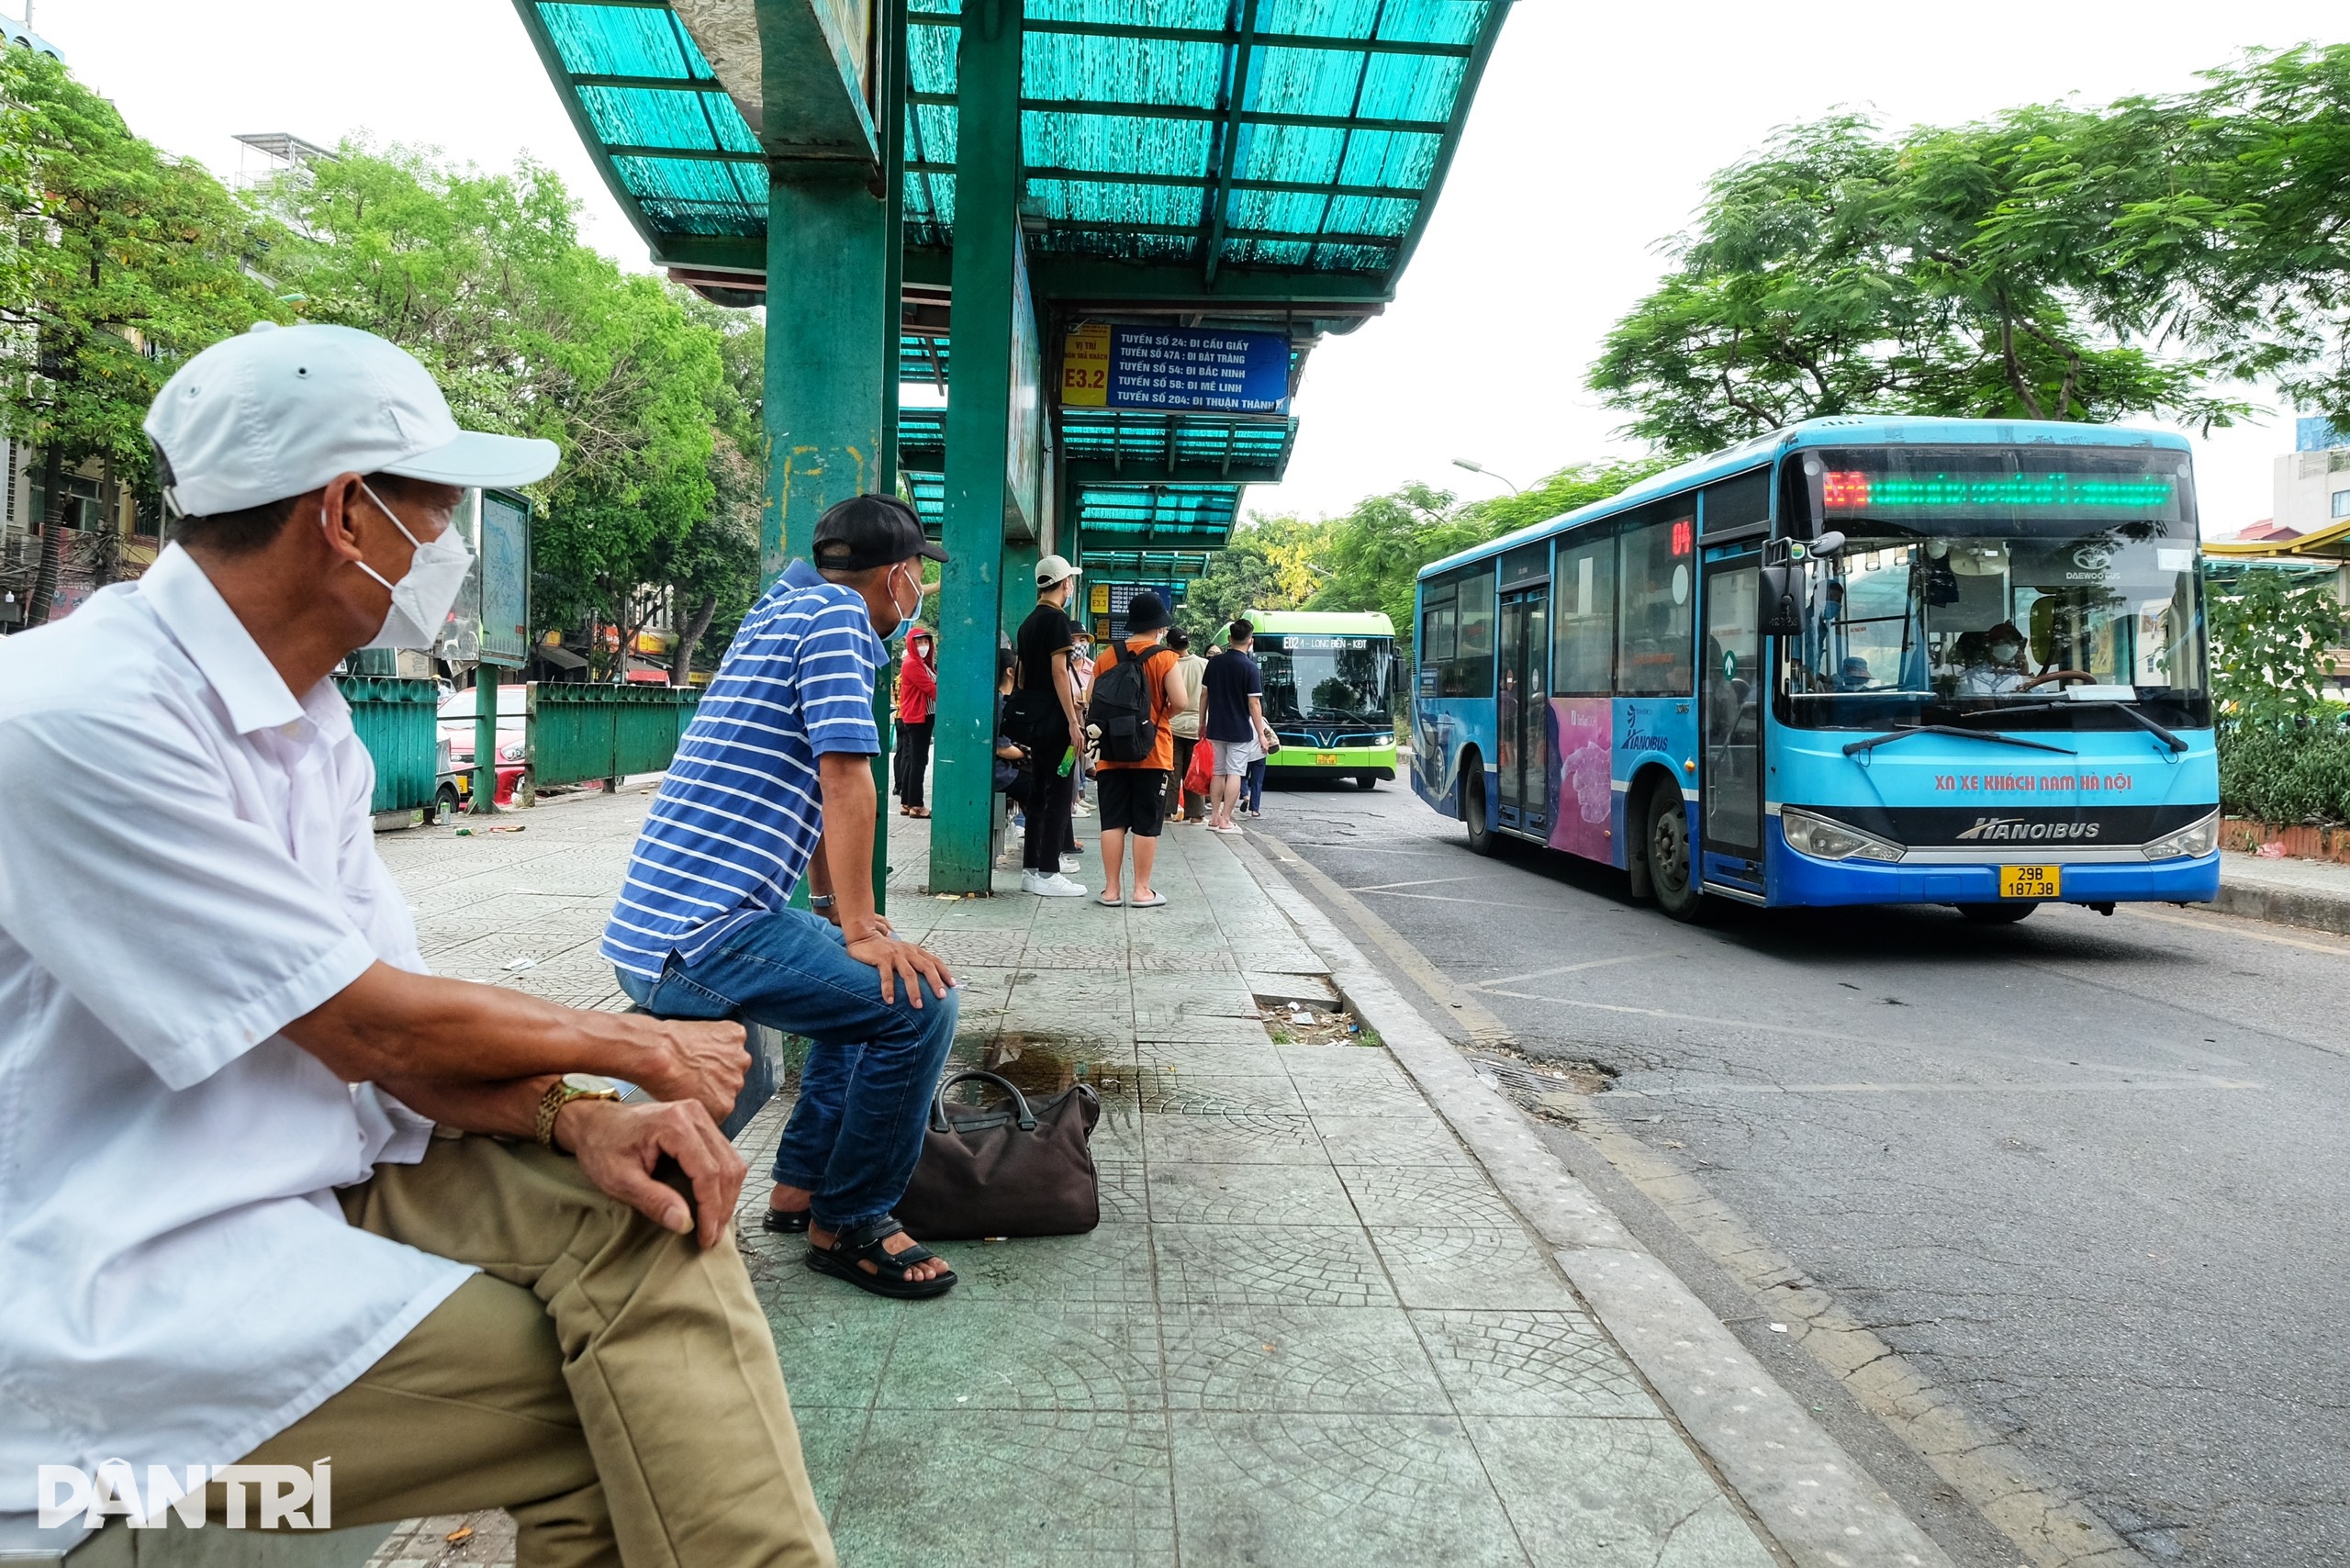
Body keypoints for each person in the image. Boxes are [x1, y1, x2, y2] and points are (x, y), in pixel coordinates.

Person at [0, 322, 833, 1564]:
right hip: (116, 1258)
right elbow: (362, 1020)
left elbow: (384, 1034)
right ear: (346, 516)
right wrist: (636, 1043)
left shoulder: (307, 715)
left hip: (308, 1170)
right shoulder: (71, 716)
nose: (447, 550)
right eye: (436, 513)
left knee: (656, 1206)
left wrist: (580, 1114)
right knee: (617, 1415)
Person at [603, 493, 963, 1303]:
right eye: (915, 582)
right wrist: (867, 931)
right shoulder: (838, 619)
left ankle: (800, 1185)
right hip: (700, 936)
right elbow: (847, 780)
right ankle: (855, 1220)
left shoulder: (782, 610)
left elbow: (810, 789)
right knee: (919, 1004)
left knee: (860, 985)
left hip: (661, 925)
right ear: (897, 576)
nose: (914, 601)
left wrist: (845, 921)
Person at [1089, 592, 1191, 907]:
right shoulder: (1165, 658)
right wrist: (1158, 718)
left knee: (1113, 821)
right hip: (1153, 752)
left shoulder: (1107, 656)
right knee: (1146, 823)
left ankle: (1110, 890)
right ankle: (1142, 890)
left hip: (1112, 752)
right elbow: (1182, 702)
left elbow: (1092, 700)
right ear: (1160, 626)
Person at [1013, 555, 1090, 896]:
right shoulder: (1057, 620)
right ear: (1065, 584)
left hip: (1035, 721)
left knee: (1039, 793)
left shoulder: (1028, 622)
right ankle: (1049, 871)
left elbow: (1024, 674)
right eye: (1070, 581)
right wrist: (1074, 721)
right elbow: (1060, 671)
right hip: (1058, 721)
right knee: (1060, 793)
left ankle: (1032, 869)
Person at [1203, 617, 1278, 834]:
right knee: (1235, 772)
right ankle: (1226, 820)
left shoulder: (1214, 663)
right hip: (1239, 729)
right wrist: (1262, 735)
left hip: (1215, 726)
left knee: (1217, 772)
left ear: (1229, 638)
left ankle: (1214, 817)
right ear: (1250, 641)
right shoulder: (1250, 668)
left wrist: (1202, 722)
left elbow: (1204, 695)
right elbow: (1254, 703)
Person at [894, 622, 937, 818]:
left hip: (919, 716)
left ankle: (907, 802)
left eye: (925, 641)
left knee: (913, 760)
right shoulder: (912, 664)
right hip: (920, 717)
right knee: (919, 761)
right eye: (918, 642)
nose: (923, 645)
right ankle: (917, 805)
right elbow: (931, 689)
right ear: (911, 644)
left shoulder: (921, 664)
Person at [1166, 626, 1208, 823]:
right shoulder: (1204, 664)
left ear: (1169, 645)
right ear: (1188, 642)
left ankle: (1166, 812)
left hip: (1172, 725)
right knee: (1194, 771)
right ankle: (1196, 815)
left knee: (1171, 772)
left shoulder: (1168, 664)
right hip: (1198, 726)